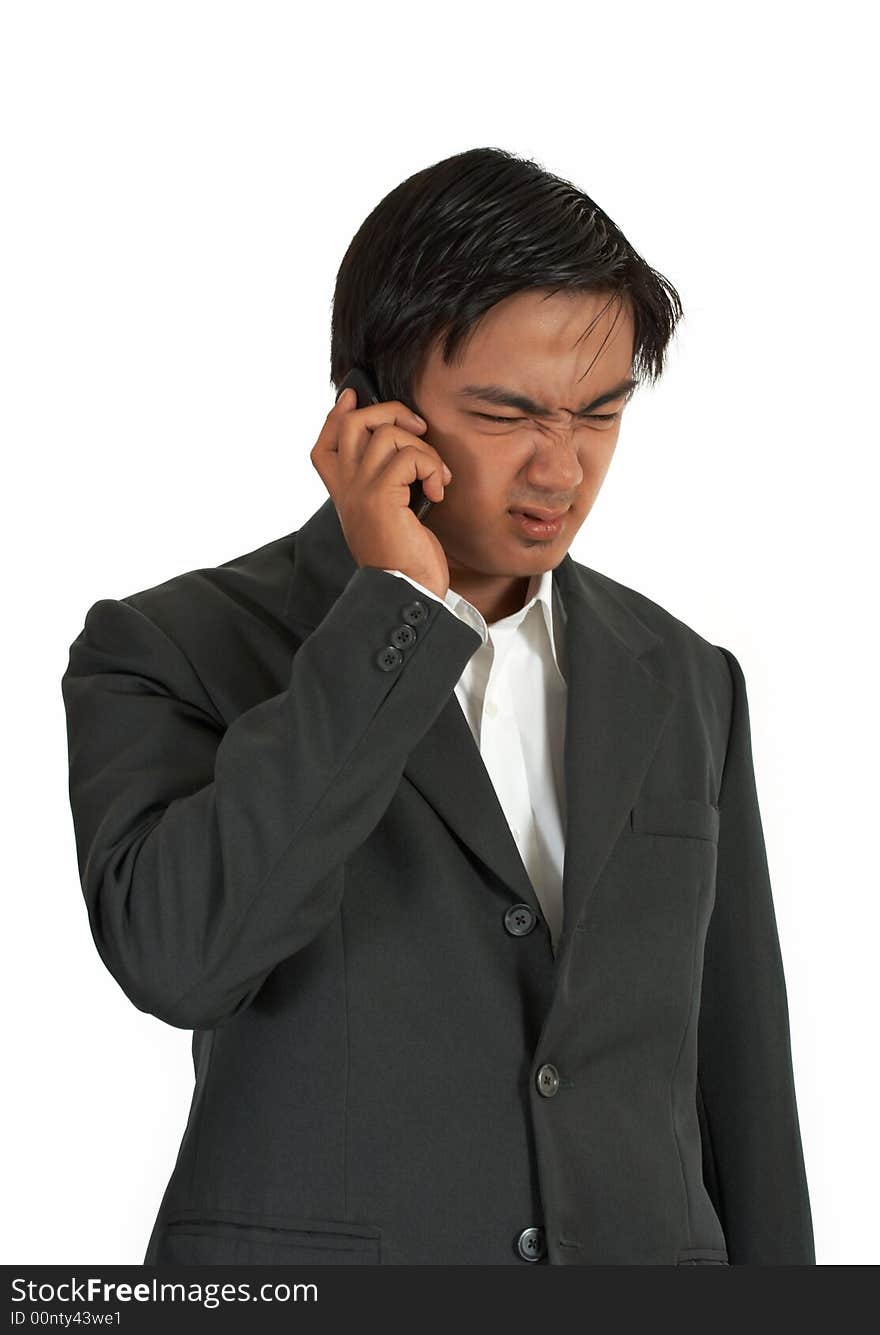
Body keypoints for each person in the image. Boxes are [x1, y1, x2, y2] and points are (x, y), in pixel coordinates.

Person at [61, 146, 815, 1266]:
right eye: (509, 415)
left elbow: (739, 1080)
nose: (562, 470)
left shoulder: (685, 675)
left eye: (599, 414)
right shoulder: (173, 648)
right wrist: (391, 612)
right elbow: (183, 961)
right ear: (368, 413)